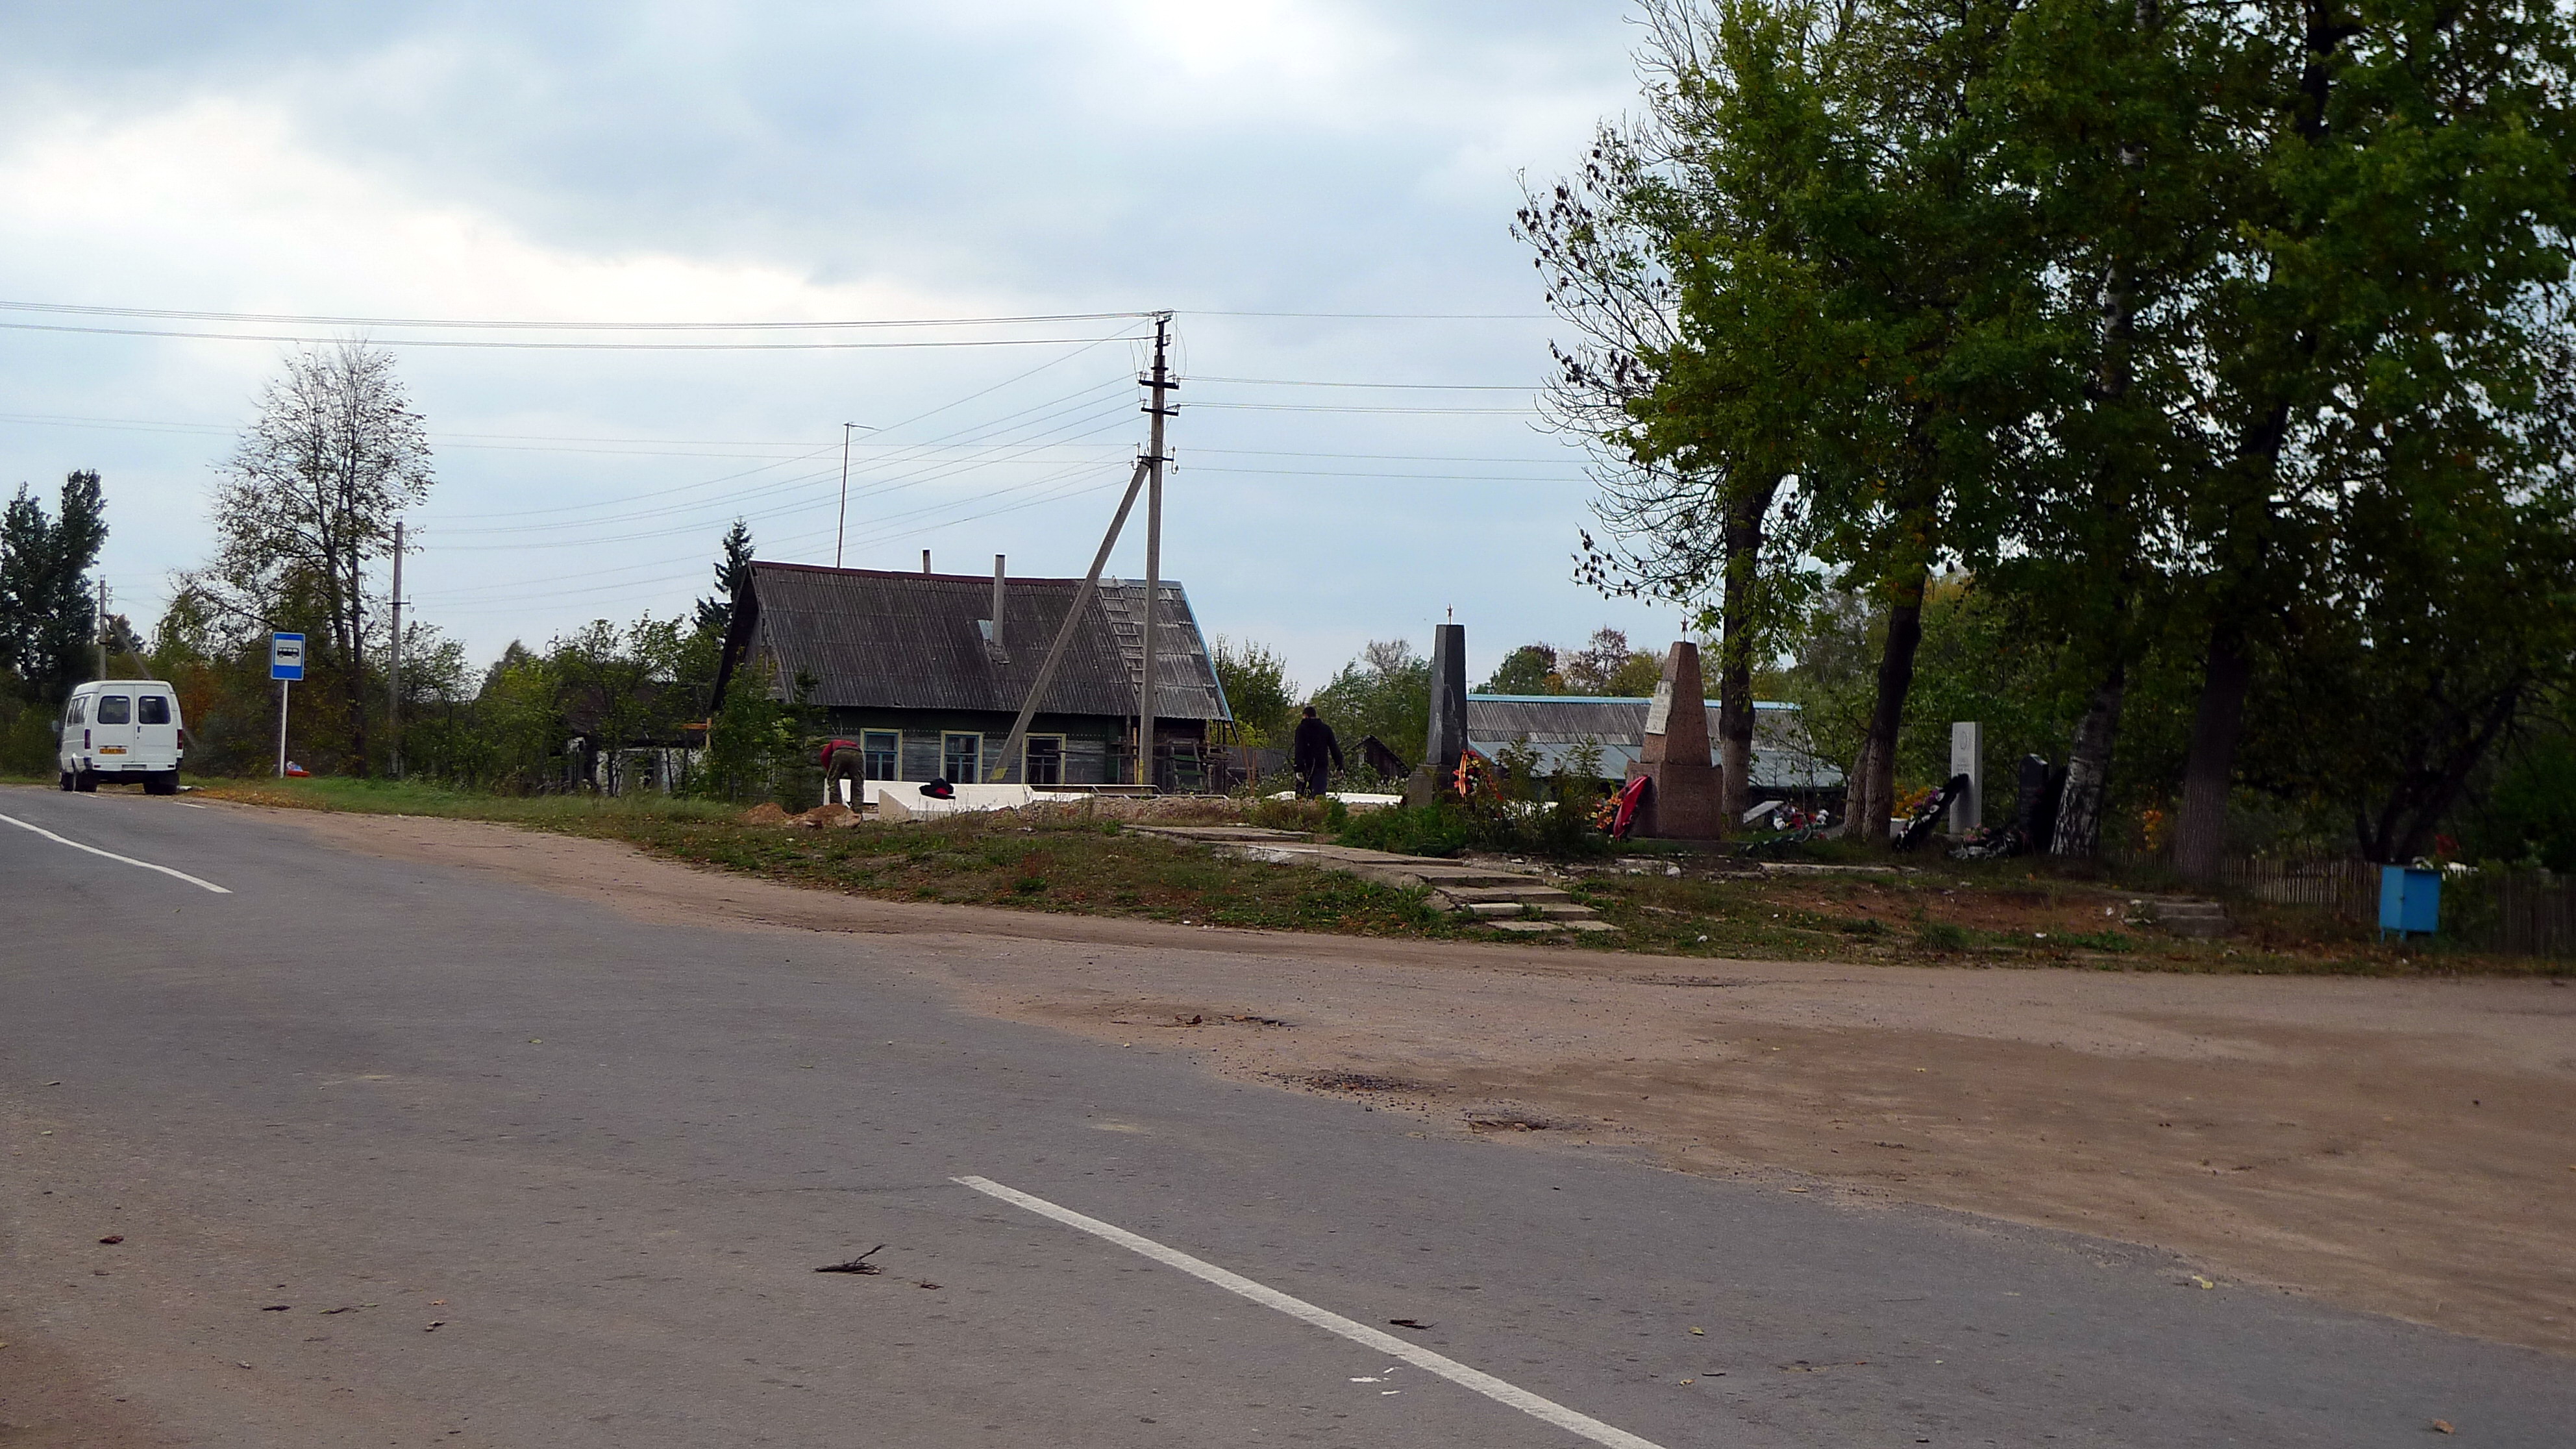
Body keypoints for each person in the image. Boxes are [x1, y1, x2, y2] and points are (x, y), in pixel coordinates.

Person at [1290, 705, 1343, 799]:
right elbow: (1334, 748)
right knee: (1319, 798)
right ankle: (1320, 812)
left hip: (1305, 766)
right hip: (1321, 766)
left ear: (1305, 716)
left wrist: (1298, 768)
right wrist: (1339, 766)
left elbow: (1299, 750)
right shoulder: (1326, 729)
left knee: (1302, 797)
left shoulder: (1301, 729)